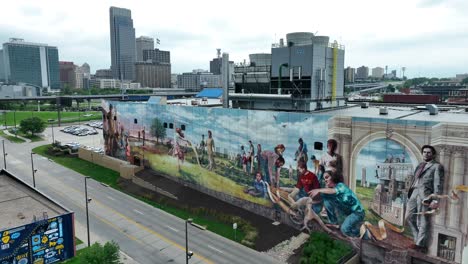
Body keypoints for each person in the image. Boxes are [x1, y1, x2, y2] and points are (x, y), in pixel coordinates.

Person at [405, 145, 444, 252]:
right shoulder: (420, 165)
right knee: (409, 217)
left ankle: (420, 245)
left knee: (423, 220)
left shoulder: (437, 167)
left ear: (433, 154)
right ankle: (418, 239)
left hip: (426, 196)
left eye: (428, 153)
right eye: (424, 152)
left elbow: (438, 184)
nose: (426, 154)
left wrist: (435, 200)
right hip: (414, 193)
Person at [308, 170, 365, 238]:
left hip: (357, 213)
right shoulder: (329, 191)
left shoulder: (341, 186)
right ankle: (334, 223)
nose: (325, 180)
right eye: (324, 179)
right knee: (326, 200)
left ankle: (361, 233)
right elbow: (320, 200)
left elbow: (333, 191)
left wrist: (319, 190)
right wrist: (308, 203)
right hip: (346, 213)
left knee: (344, 230)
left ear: (333, 177)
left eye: (327, 177)